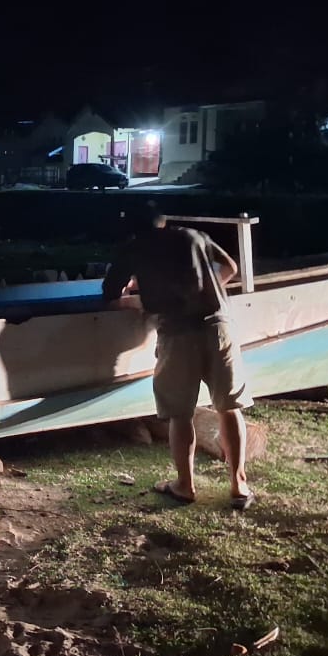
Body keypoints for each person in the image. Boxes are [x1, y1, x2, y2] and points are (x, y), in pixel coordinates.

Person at [101, 201, 254, 509]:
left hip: (177, 333)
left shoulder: (134, 248)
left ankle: (185, 486)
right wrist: (202, 290)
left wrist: (140, 297)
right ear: (163, 221)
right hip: (219, 327)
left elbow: (111, 296)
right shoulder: (194, 236)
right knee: (229, 407)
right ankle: (239, 486)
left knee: (180, 413)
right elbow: (231, 269)